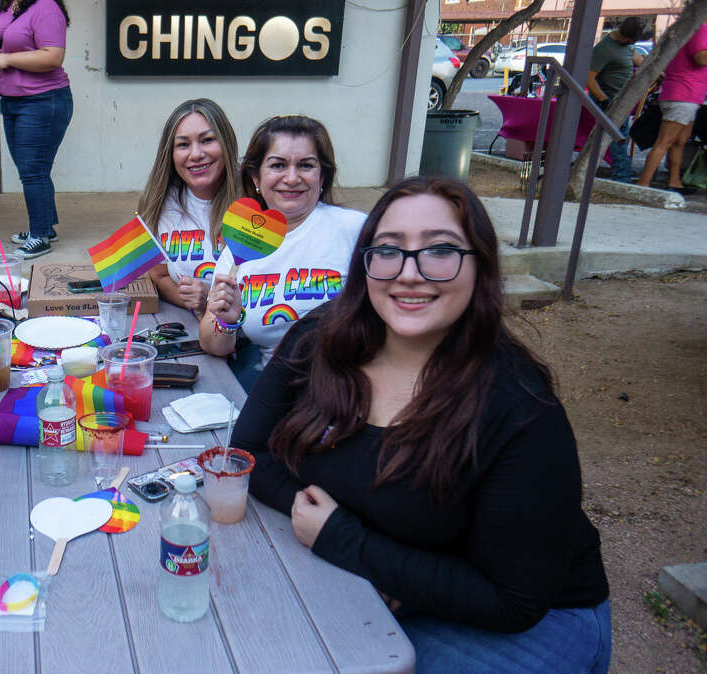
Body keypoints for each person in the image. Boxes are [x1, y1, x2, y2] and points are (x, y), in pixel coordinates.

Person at [237, 176, 611, 673]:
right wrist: (353, 548)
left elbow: (514, 602)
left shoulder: (520, 408)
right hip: (373, 579)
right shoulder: (318, 340)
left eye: (440, 250)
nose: (409, 274)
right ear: (364, 263)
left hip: (525, 625)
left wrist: (351, 545)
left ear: (481, 267)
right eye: (388, 250)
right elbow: (247, 455)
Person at [199, 115, 366, 392]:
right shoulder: (242, 246)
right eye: (278, 165)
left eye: (305, 165)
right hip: (274, 392)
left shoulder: (355, 230)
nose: (291, 178)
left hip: (347, 388)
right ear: (256, 177)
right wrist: (227, 321)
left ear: (322, 176)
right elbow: (212, 343)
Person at [0, 0, 73, 260]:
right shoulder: (6, 6)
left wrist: (8, 58)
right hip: (11, 99)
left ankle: (40, 237)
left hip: (42, 100)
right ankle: (44, 226)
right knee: (31, 169)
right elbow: (0, 43)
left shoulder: (46, 6)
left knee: (33, 171)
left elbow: (53, 55)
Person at [137, 98, 240, 316]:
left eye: (207, 140)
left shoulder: (255, 201)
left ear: (226, 142)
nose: (195, 154)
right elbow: (160, 276)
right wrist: (196, 303)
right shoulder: (157, 202)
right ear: (171, 153)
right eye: (183, 144)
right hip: (190, 324)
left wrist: (211, 297)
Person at [638, 22, 707, 194]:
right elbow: (701, 58)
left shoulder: (685, 29)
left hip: (684, 94)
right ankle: (642, 184)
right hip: (684, 94)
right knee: (665, 141)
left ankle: (675, 182)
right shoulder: (700, 29)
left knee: (679, 141)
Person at [588, 17, 649, 183]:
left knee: (619, 139)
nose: (632, 43)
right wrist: (604, 99)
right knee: (618, 140)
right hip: (610, 100)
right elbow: (589, 78)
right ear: (626, 36)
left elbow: (635, 58)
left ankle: (621, 176)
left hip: (621, 100)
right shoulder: (604, 49)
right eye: (631, 40)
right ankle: (622, 177)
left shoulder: (627, 45)